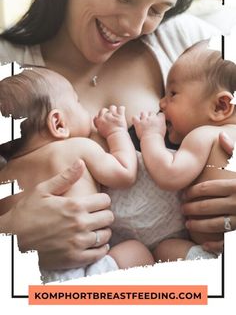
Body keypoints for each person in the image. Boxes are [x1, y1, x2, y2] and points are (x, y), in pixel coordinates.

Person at [0, 0, 235, 273]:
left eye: (158, 9)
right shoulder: (7, 71)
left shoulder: (195, 49)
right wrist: (11, 237)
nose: (135, 27)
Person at [0, 67, 154, 281]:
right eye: (78, 102)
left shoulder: (4, 176)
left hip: (29, 277)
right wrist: (116, 132)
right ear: (58, 123)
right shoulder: (77, 147)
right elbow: (125, 173)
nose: (86, 111)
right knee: (136, 252)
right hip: (84, 271)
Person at [133, 40, 236, 262]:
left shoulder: (205, 135)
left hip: (211, 256)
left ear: (220, 107)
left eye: (173, 93)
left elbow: (169, 175)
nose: (161, 103)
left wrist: (151, 136)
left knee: (166, 249)